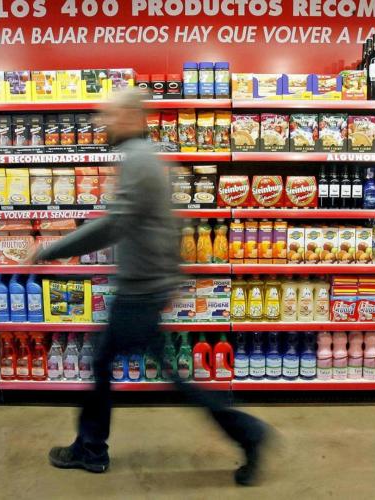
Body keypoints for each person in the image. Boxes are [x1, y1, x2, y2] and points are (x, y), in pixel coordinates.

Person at [28, 89, 268, 486]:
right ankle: (91, 447)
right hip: (146, 285)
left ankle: (93, 449)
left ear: (131, 116)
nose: (102, 122)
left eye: (109, 115)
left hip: (140, 290)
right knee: (125, 367)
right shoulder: (144, 156)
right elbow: (155, 223)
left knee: (140, 372)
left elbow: (114, 224)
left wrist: (50, 250)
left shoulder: (139, 160)